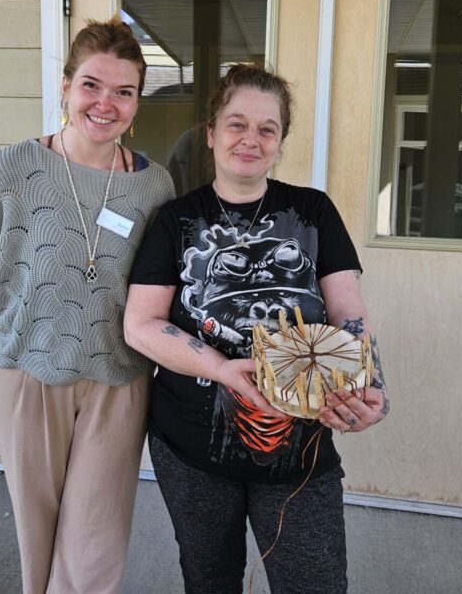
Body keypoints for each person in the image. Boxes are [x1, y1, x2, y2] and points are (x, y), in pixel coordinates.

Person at [124, 64, 388, 594]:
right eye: (236, 124)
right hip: (193, 448)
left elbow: (347, 311)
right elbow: (141, 325)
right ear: (211, 134)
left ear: (280, 141)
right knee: (211, 581)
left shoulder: (313, 212)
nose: (251, 139)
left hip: (301, 449)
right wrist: (220, 368)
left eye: (267, 128)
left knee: (314, 582)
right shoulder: (176, 220)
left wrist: (369, 384)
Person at [0, 17, 175, 594]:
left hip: (119, 382)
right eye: (91, 86)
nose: (106, 104)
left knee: (93, 547)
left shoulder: (156, 187)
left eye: (123, 92)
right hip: (30, 374)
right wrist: (44, 319)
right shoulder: (10, 171)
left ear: (137, 102)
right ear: (64, 86)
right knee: (39, 541)